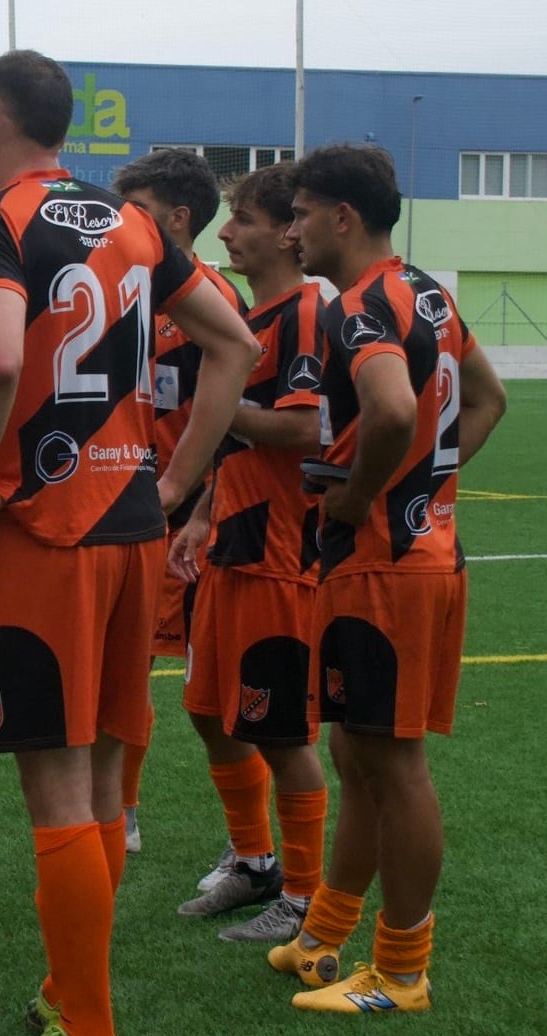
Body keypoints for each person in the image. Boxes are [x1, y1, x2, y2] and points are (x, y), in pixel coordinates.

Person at [0, 50, 258, 1036]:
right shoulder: (129, 223)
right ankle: (67, 994)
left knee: (60, 784)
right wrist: (173, 478)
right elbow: (233, 346)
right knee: (98, 781)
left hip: (48, 531)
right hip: (130, 524)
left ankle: (85, 1034)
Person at [269, 143, 506, 1014]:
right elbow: (487, 399)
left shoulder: (363, 305)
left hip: (383, 565)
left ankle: (403, 971)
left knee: (393, 761)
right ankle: (327, 932)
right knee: (355, 749)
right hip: (411, 552)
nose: (290, 229)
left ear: (342, 218)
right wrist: (428, 492)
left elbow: (396, 409)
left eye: (298, 213)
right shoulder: (428, 292)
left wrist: (362, 498)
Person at [170, 162, 332, 941]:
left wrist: (221, 404)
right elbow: (238, 442)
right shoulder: (253, 320)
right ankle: (254, 861)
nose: (226, 232)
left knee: (281, 730)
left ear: (287, 233)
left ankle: (304, 896)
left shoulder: (305, 315)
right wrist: (202, 515)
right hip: (231, 540)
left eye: (242, 220)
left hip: (281, 553)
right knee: (208, 712)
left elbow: (307, 431)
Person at [107, 147, 249, 853]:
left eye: (134, 209)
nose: (119, 220)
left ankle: (254, 849)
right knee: (129, 665)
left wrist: (195, 501)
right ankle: (125, 811)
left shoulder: (210, 302)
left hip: (191, 516)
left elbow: (233, 415)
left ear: (177, 218)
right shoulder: (128, 291)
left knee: (212, 693)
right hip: (131, 504)